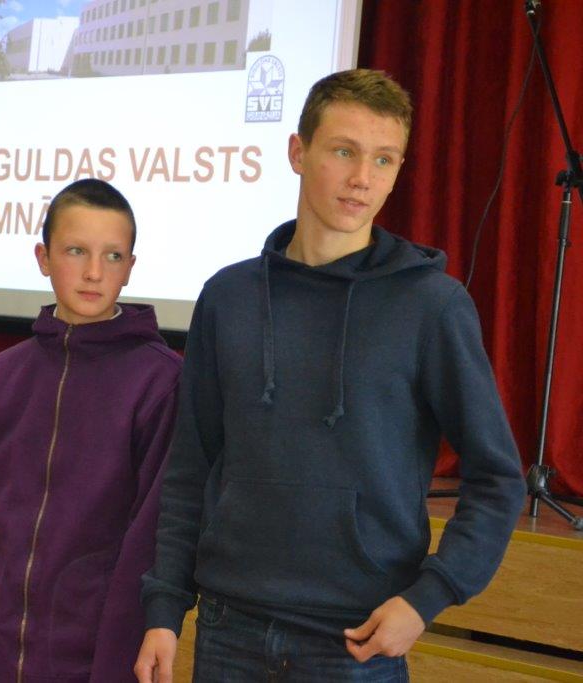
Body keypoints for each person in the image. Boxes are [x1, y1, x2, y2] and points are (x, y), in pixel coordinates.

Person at [135, 69, 526, 682]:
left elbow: (498, 479)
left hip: (356, 642)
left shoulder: (432, 305)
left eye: (383, 159)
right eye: (344, 151)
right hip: (228, 627)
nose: (362, 178)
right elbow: (190, 466)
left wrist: (427, 598)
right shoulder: (228, 297)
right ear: (299, 152)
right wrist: (165, 607)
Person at [0, 178, 182, 682]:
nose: (93, 272)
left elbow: (145, 548)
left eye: (112, 256)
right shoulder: (5, 374)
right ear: (43, 257)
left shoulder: (161, 382)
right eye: (76, 251)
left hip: (84, 665)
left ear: (130, 267)